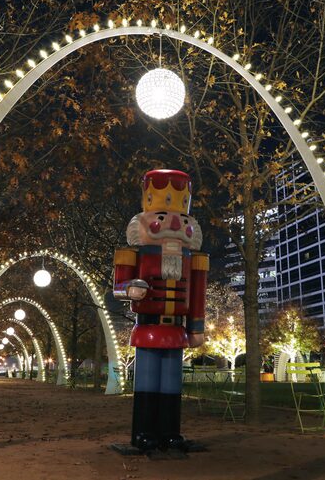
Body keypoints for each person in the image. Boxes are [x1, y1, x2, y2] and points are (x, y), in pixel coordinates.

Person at [113, 169, 208, 451]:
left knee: (171, 383)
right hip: (148, 327)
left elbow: (198, 294)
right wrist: (129, 288)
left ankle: (170, 432)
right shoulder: (133, 254)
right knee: (147, 380)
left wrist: (196, 327)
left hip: (176, 331)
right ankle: (144, 432)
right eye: (163, 215)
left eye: (181, 217)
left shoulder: (194, 259)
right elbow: (118, 287)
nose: (175, 223)